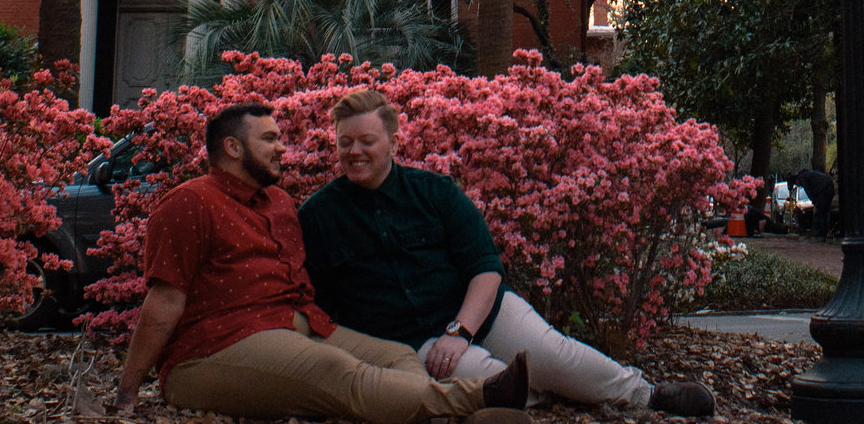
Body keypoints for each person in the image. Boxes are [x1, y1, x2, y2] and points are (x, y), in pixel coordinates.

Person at [299, 89, 716, 418]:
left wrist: (459, 332)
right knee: (491, 382)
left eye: (366, 141)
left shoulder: (435, 193)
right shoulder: (318, 216)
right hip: (411, 343)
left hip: (479, 313)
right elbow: (320, 303)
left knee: (555, 356)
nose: (354, 152)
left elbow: (485, 268)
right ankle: (555, 395)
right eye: (345, 142)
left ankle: (647, 395)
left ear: (391, 141)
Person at [116, 101, 533, 420]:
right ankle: (481, 397)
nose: (283, 147)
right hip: (211, 349)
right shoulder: (189, 203)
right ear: (232, 148)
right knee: (338, 369)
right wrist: (128, 391)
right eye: (270, 139)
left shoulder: (278, 203)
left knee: (396, 357)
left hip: (294, 322)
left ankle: (438, 417)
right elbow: (164, 302)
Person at [795, 166, 835, 241]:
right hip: (829, 188)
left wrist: (815, 204)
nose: (798, 186)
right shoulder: (811, 175)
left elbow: (809, 192)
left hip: (822, 190)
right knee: (825, 212)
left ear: (797, 180)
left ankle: (819, 235)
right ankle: (824, 234)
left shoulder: (802, 177)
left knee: (819, 213)